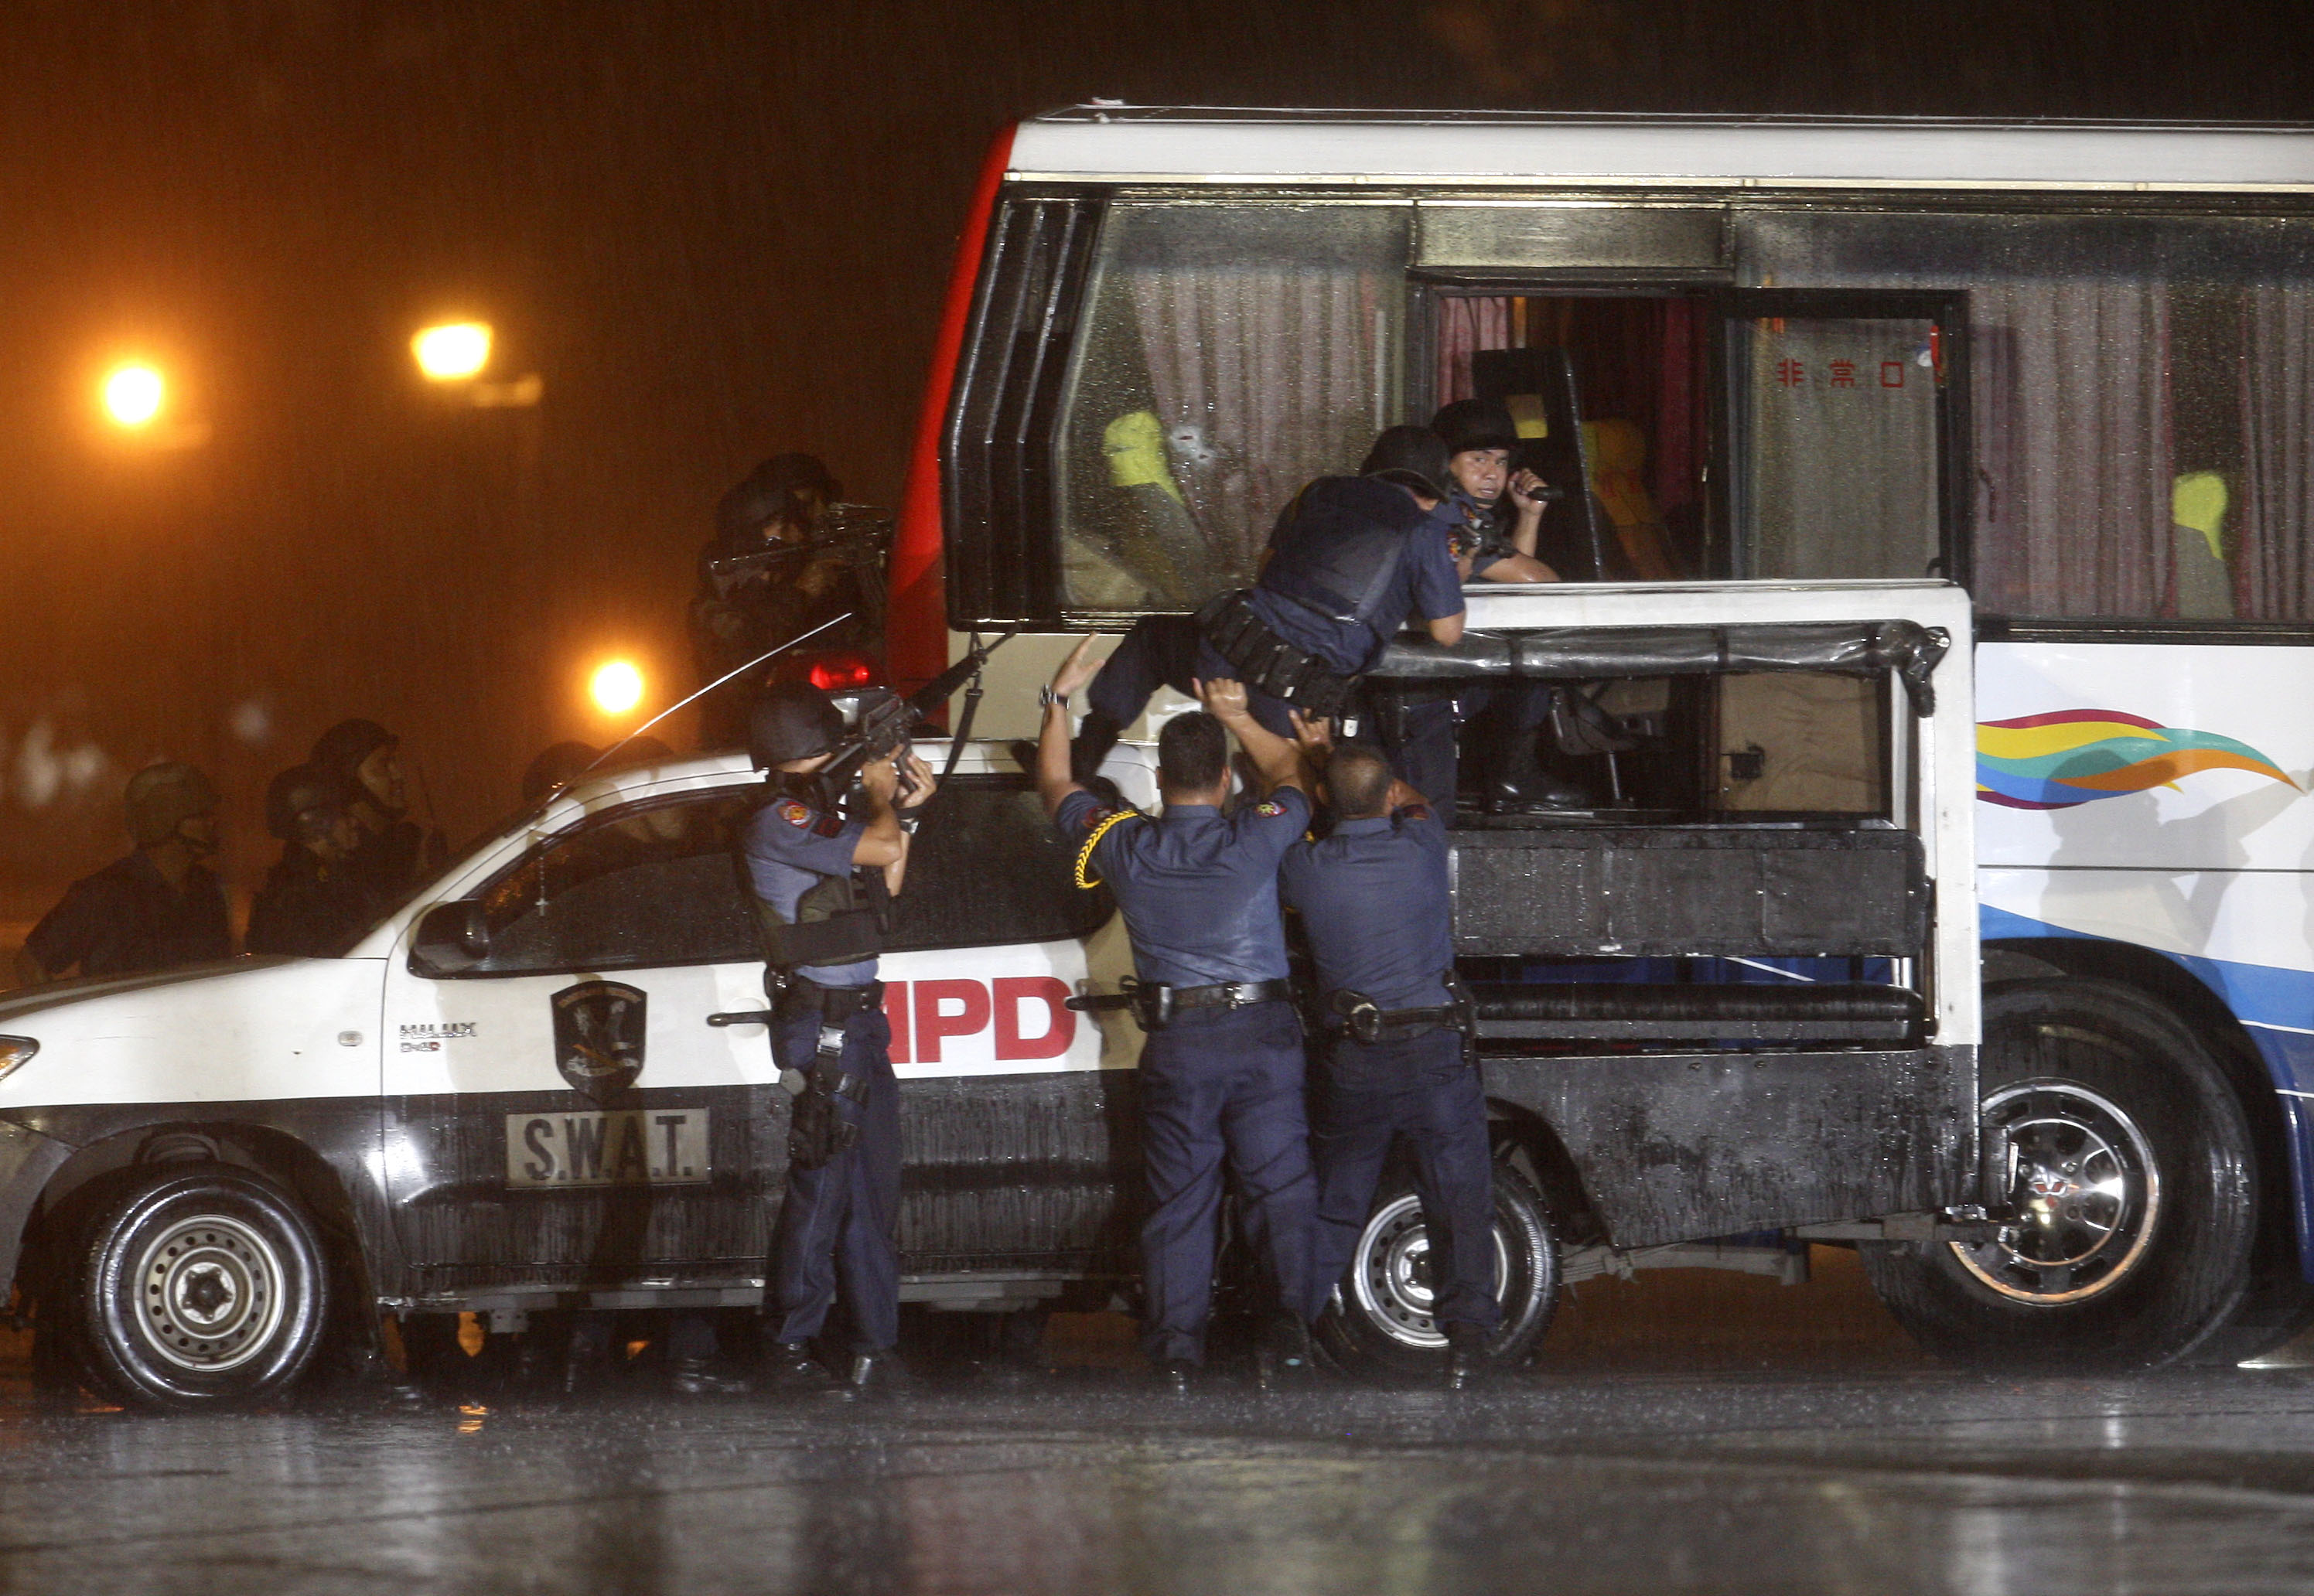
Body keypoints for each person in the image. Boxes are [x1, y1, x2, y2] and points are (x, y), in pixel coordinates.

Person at [1039, 639, 1320, 1393]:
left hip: (1181, 1046)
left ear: (1160, 781)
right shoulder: (1257, 831)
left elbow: (1058, 783)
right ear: (1225, 779)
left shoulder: (1124, 844)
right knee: (1279, 1191)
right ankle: (1289, 1335)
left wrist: (1059, 698)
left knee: (1179, 1201)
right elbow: (1295, 775)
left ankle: (1174, 1354)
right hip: (1262, 1041)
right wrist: (1239, 717)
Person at [1069, 425, 1468, 800]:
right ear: (1432, 493)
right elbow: (1447, 632)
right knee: (1291, 788)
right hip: (1292, 695)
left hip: (1224, 655)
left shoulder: (1317, 492)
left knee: (1150, 640)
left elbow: (1266, 569)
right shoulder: (1426, 531)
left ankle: (1082, 763)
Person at [1279, 738, 1500, 1391]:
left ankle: (1288, 1332)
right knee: (1458, 1197)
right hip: (1436, 1052)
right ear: (1389, 796)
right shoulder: (1423, 845)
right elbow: (1416, 801)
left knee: (1336, 1202)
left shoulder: (1304, 868)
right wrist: (1350, 765)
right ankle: (1467, 1346)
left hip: (1358, 1057)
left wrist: (1313, 765)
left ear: (1325, 798)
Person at [742, 680, 937, 1397]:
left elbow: (885, 886)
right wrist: (883, 796)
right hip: (825, 1027)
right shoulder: (781, 819)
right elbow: (879, 844)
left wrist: (904, 812)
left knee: (871, 1194)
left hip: (859, 1022)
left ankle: (873, 1346)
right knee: (822, 1191)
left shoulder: (825, 818)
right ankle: (788, 1345)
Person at [1431, 399, 1585, 813]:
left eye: (1500, 462)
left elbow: (1519, 589)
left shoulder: (1466, 513)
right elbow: (1541, 582)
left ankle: (1509, 778)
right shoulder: (1450, 515)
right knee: (1534, 659)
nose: (1492, 474)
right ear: (1445, 463)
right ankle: (1511, 777)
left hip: (1452, 661)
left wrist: (1529, 515)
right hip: (1431, 673)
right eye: (1478, 459)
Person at [691, 453, 872, 747]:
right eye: (782, 523)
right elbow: (749, 651)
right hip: (743, 747)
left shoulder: (791, 578)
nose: (799, 533)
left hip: (821, 734)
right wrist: (801, 593)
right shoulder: (716, 604)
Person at [18, 762, 231, 984]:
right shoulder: (104, 894)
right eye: (201, 815)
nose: (212, 823)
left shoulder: (207, 889)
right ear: (164, 821)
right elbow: (30, 964)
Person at [245, 765, 373, 958]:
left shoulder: (326, 877)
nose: (354, 822)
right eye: (343, 815)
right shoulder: (298, 891)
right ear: (315, 822)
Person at [309, 718, 438, 904]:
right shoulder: (345, 863)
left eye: (395, 763)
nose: (398, 776)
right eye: (383, 765)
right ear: (349, 781)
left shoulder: (403, 842)